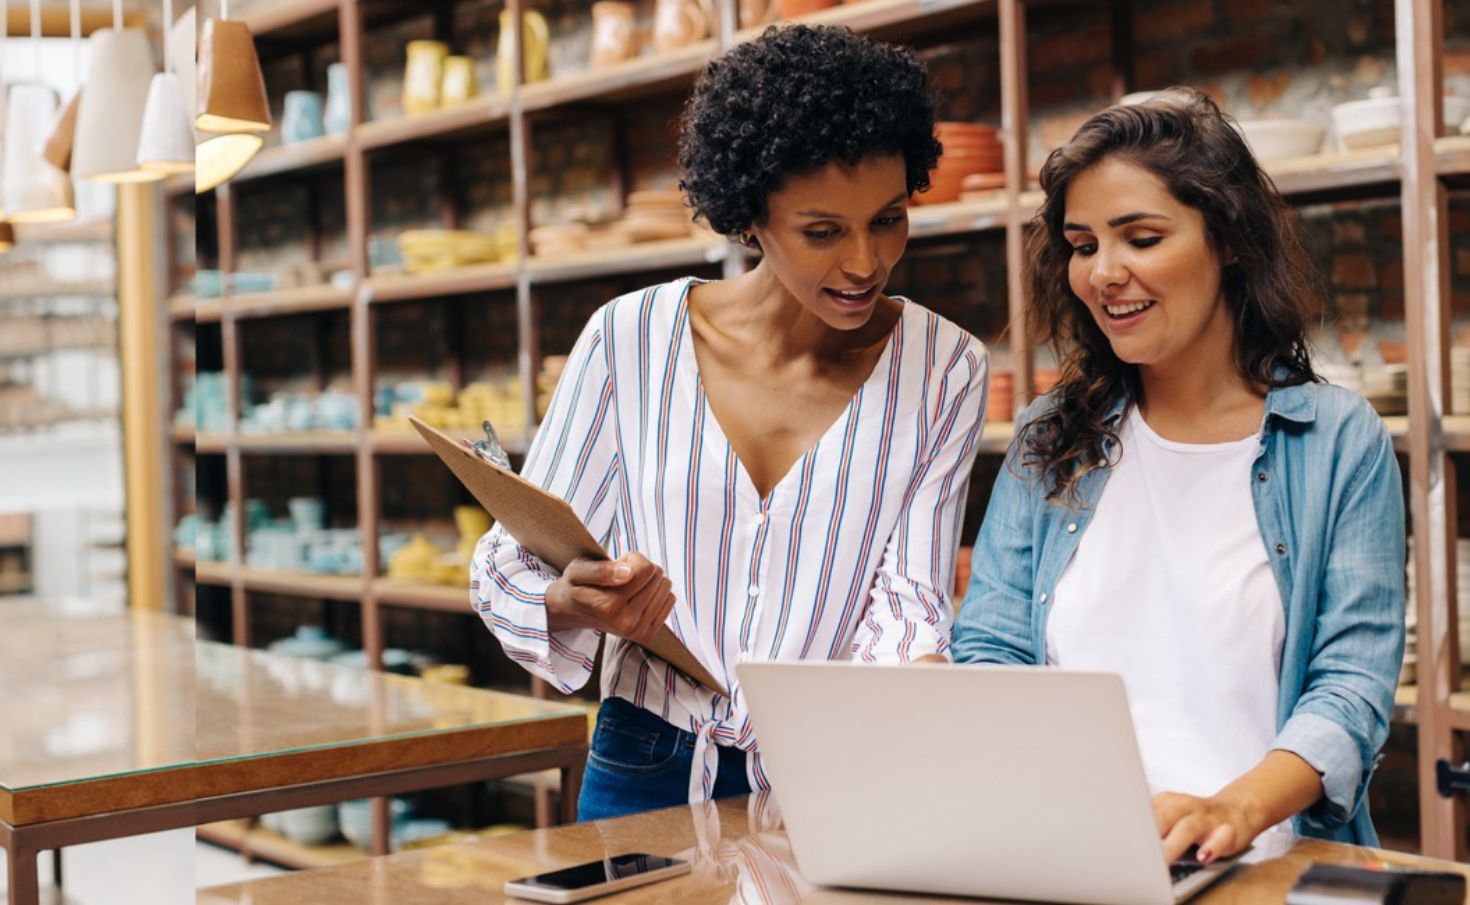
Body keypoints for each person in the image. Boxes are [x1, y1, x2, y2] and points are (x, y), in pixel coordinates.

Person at [472, 24, 988, 821]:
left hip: (836, 770)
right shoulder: (629, 338)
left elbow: (909, 600)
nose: (864, 262)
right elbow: (515, 560)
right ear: (751, 216)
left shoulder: (945, 365)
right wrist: (580, 602)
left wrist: (930, 703)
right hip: (645, 758)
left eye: (887, 218)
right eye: (823, 231)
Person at [952, 90, 1404, 863]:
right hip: (1073, 856)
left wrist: (1232, 809)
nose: (1103, 273)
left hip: (1257, 861)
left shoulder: (1334, 439)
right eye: (1083, 244)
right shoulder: (1050, 435)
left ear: (1225, 238)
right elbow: (990, 649)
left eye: (1142, 237)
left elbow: (1350, 687)